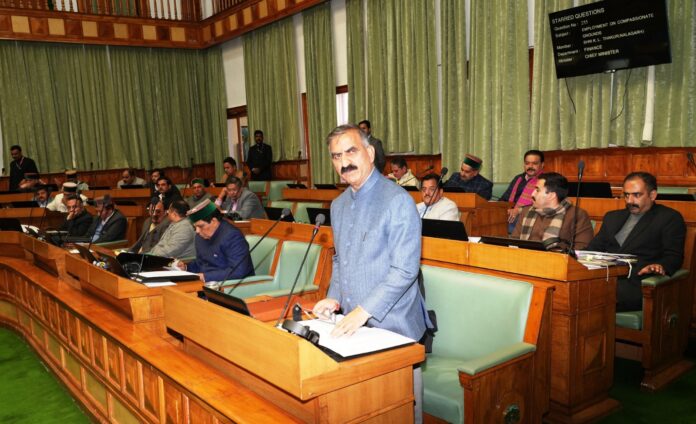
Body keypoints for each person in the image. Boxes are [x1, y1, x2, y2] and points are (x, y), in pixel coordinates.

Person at [313, 124, 429, 422]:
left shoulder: (397, 201)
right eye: (336, 156)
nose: (344, 162)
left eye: (351, 151)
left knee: (398, 412)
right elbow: (341, 261)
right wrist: (332, 297)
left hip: (394, 329)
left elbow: (405, 270)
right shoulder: (338, 205)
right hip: (354, 327)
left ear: (370, 152)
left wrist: (364, 311)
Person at [587, 172, 686, 312]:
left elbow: (674, 256)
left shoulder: (669, 218)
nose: (629, 201)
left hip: (635, 284)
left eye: (636, 195)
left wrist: (660, 266)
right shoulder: (612, 218)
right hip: (603, 278)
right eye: (626, 195)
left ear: (652, 195)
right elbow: (592, 249)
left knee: (583, 296)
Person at [511, 172, 593, 251]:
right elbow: (514, 241)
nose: (532, 194)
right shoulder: (526, 212)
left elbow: (582, 248)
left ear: (551, 195)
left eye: (537, 190)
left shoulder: (577, 215)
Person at [178, 199, 254, 283]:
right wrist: (186, 267)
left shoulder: (232, 236)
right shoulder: (200, 237)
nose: (197, 231)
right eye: (195, 227)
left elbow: (238, 271)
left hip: (231, 287)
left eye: (201, 226)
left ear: (214, 221)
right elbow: (201, 264)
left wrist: (205, 277)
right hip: (207, 284)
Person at [500, 150, 545, 233]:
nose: (530, 166)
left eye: (534, 163)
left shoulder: (544, 180)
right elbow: (504, 198)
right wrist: (503, 209)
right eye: (527, 163)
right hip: (510, 214)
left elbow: (542, 205)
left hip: (529, 216)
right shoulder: (518, 178)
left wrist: (518, 210)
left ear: (542, 165)